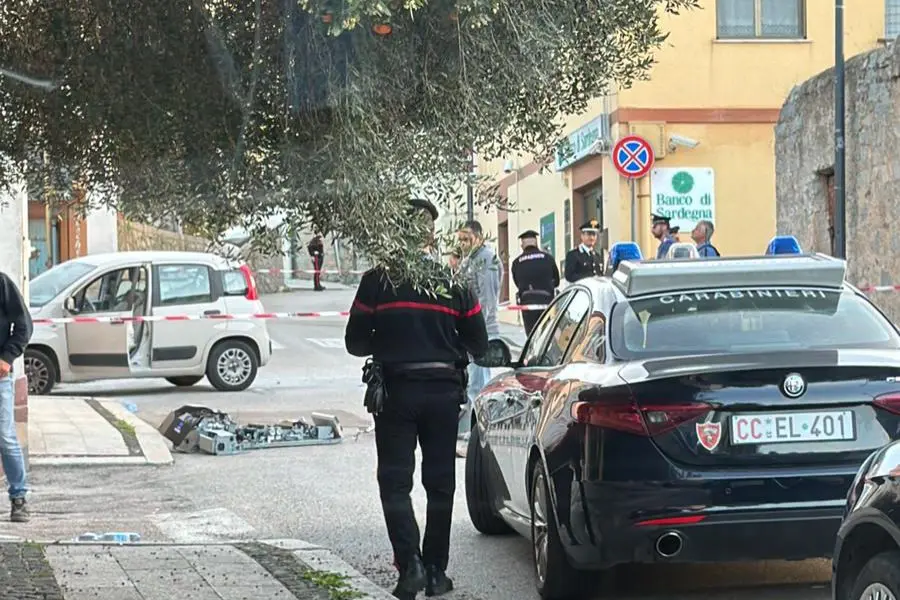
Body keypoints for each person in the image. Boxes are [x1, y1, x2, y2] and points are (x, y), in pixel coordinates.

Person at [345, 199, 488, 600]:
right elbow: (479, 342)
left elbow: (355, 343)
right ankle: (436, 573)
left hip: (395, 394)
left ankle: (409, 568)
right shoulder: (454, 282)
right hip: (443, 395)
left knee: (394, 481)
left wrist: (388, 342)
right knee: (440, 485)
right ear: (429, 235)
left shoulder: (376, 281)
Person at [455, 220, 501, 452]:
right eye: (460, 240)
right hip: (468, 331)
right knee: (473, 381)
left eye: (467, 239)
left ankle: (477, 434)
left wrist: (480, 329)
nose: (463, 244)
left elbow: (488, 298)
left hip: (482, 329)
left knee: (478, 383)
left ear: (479, 237)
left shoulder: (486, 259)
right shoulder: (470, 260)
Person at [0, 270, 32, 522]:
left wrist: (6, 358)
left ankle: (18, 497)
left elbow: (23, 325)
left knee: (5, 436)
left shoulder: (1, 283)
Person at [511, 229, 559, 335]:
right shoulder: (548, 258)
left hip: (527, 303)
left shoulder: (516, 263)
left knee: (532, 335)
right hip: (547, 303)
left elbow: (517, 282)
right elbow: (557, 281)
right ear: (536, 242)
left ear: (522, 244)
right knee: (547, 336)